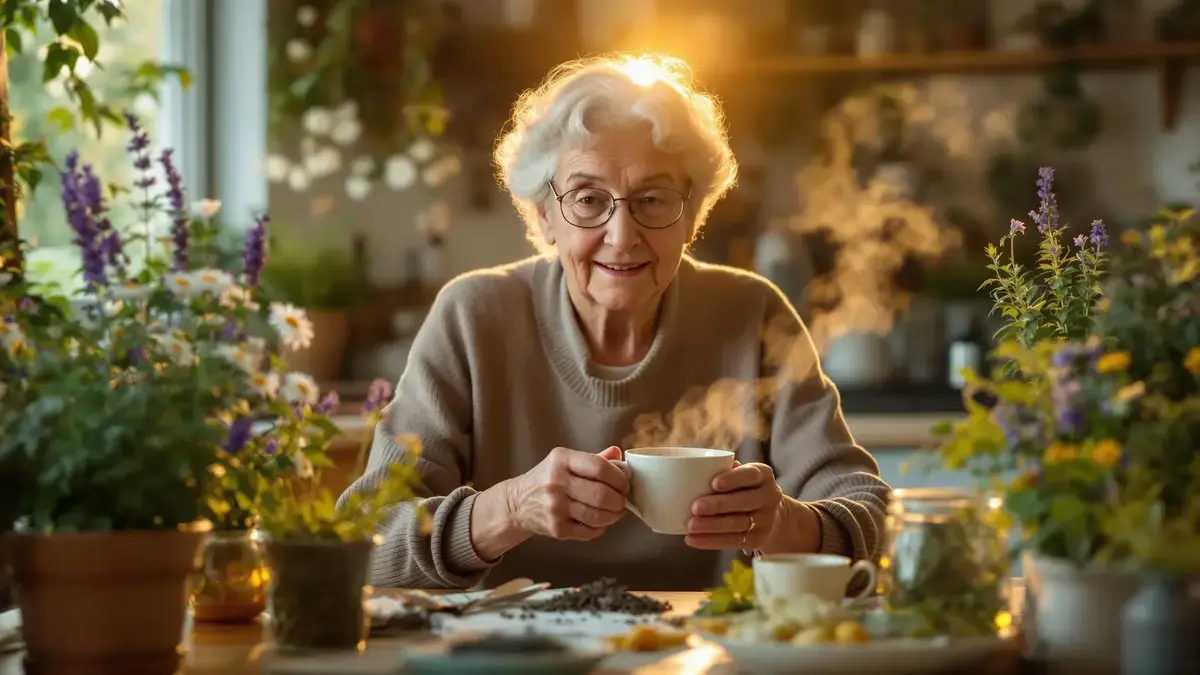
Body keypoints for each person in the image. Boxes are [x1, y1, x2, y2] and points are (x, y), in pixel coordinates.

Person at [339, 54, 892, 591]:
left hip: (707, 652)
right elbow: (358, 544)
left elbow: (873, 518)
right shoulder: (474, 317)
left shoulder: (751, 314)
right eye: (587, 199)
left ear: (692, 215)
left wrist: (782, 525)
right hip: (517, 654)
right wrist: (508, 508)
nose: (623, 235)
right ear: (542, 215)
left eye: (653, 199)